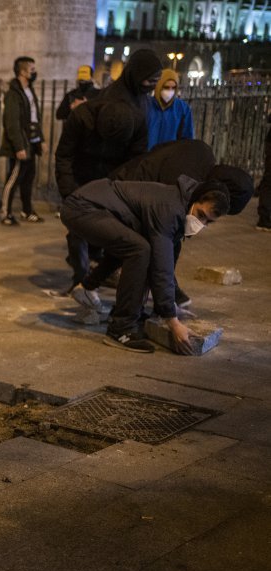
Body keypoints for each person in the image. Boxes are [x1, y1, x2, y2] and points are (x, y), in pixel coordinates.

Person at [61, 175, 231, 353]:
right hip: (82, 207)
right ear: (196, 199)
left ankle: (92, 290)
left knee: (135, 244)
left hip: (99, 206)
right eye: (201, 215)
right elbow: (161, 267)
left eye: (208, 222)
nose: (201, 224)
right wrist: (172, 321)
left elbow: (167, 261)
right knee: (139, 249)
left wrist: (168, 305)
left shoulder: (180, 208)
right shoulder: (170, 209)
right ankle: (120, 329)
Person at [55, 49, 162, 292]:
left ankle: (100, 272)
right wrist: (68, 190)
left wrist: (125, 193)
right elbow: (64, 155)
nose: (152, 86)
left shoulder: (139, 114)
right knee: (77, 230)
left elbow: (135, 159)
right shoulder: (82, 117)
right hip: (83, 176)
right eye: (149, 80)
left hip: (112, 180)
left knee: (111, 230)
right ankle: (81, 279)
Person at [0, 56, 45, 226]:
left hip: (32, 141)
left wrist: (41, 139)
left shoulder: (29, 90)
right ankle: (6, 213)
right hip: (21, 143)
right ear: (22, 72)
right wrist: (19, 146)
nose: (34, 72)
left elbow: (35, 117)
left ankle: (26, 211)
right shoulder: (13, 94)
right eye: (32, 69)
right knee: (14, 178)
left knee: (28, 178)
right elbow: (12, 122)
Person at [147, 69, 194, 150]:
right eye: (166, 87)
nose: (170, 91)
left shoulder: (182, 108)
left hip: (169, 158)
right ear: (158, 86)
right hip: (146, 157)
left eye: (173, 88)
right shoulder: (147, 105)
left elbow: (187, 138)